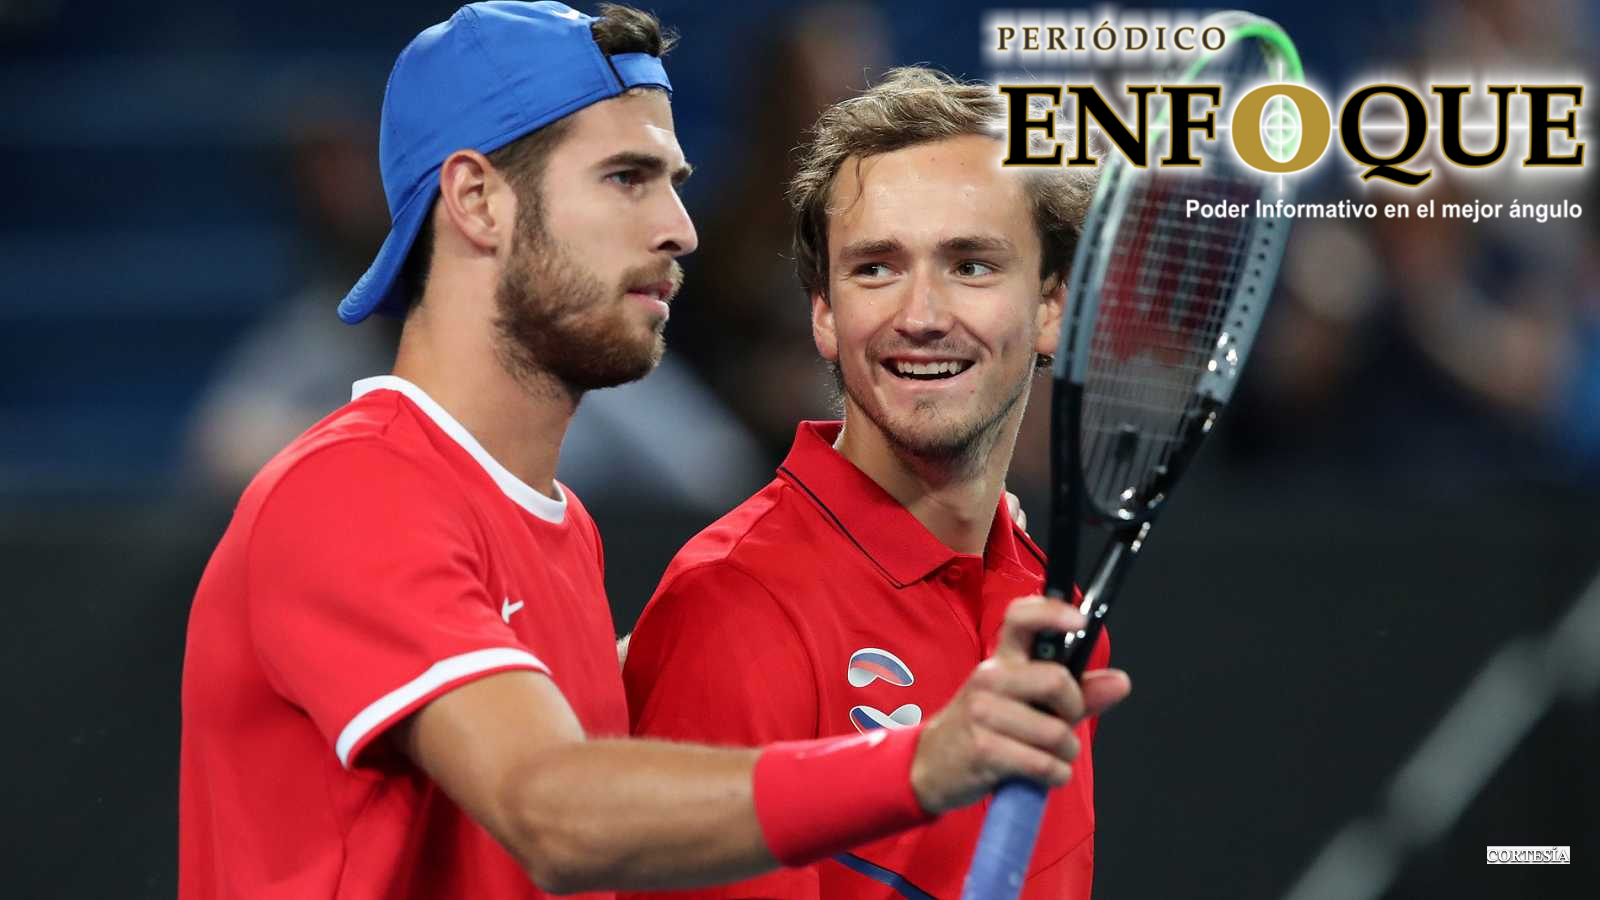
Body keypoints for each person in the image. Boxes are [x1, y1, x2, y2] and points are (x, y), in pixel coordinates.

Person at [178, 5, 1127, 899]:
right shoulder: (356, 489)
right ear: (475, 199)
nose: (680, 228)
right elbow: (552, 808)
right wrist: (922, 760)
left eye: (672, 180)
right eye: (628, 178)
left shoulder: (559, 533)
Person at [621, 67, 1125, 899]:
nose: (921, 314)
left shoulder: (1050, 614)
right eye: (876, 269)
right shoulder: (734, 607)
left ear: (1052, 307)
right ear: (823, 312)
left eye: (970, 264)